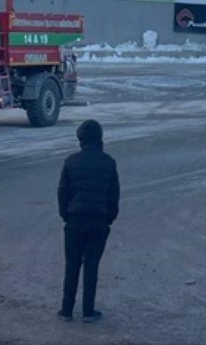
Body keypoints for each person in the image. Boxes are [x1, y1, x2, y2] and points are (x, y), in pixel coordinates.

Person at [57, 119, 119, 324]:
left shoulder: (70, 161)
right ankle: (88, 311)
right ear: (100, 138)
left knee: (72, 264)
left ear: (80, 139)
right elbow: (113, 196)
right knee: (92, 266)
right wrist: (108, 219)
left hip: (75, 220)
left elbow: (62, 192)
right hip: (99, 221)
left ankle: (66, 310)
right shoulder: (109, 162)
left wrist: (66, 215)